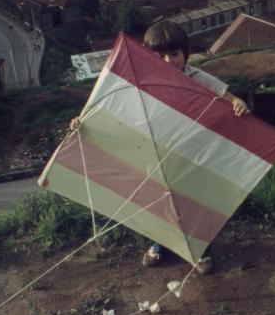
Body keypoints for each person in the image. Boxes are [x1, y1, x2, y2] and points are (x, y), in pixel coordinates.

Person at [69, 21, 250, 275]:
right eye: (159, 55)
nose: (167, 61)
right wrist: (82, 122)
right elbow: (108, 107)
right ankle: (159, 244)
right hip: (155, 153)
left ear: (185, 53)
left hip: (190, 154)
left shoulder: (195, 76)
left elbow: (223, 93)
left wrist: (236, 102)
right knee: (158, 202)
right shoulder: (139, 79)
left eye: (174, 54)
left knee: (194, 204)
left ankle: (201, 250)